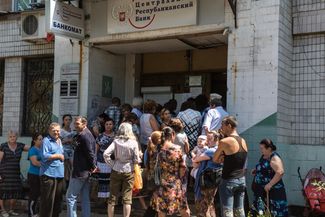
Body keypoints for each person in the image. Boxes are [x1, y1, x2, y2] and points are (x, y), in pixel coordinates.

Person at [150, 127, 190, 217]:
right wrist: (178, 177)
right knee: (184, 208)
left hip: (162, 181)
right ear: (172, 134)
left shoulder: (158, 149)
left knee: (161, 208)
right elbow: (182, 167)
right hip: (175, 182)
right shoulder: (177, 149)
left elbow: (153, 164)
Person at [104, 122, 141, 217]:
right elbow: (137, 160)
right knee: (127, 199)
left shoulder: (116, 141)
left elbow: (106, 154)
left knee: (112, 197)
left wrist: (112, 164)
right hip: (129, 170)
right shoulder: (133, 142)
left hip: (116, 169)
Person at [213, 116, 247, 217]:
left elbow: (215, 159)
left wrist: (221, 158)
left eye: (222, 125)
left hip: (229, 180)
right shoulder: (243, 140)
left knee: (227, 211)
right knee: (239, 210)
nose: (221, 127)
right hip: (241, 179)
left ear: (228, 125)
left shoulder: (225, 141)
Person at [66, 116, 97, 217]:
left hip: (80, 171)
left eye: (77, 123)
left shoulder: (85, 136)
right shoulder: (85, 134)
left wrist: (93, 166)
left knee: (70, 197)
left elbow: (90, 153)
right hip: (85, 171)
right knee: (84, 197)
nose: (75, 125)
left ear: (84, 124)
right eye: (74, 123)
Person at [251, 139, 288, 217]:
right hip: (262, 192)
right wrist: (257, 170)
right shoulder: (265, 156)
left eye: (262, 148)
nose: (261, 150)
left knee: (273, 213)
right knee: (261, 212)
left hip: (272, 192)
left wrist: (270, 184)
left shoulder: (274, 158)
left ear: (269, 149)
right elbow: (267, 169)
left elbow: (280, 172)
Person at [193, 131, 223, 217]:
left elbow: (195, 160)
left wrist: (196, 158)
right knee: (210, 204)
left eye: (210, 139)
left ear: (216, 139)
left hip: (206, 182)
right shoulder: (219, 150)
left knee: (203, 207)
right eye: (207, 139)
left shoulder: (211, 151)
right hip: (213, 181)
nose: (207, 141)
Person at [0, 130, 29, 217]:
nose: (12, 138)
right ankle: (3, 210)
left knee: (15, 192)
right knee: (2, 193)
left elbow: (33, 148)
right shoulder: (3, 146)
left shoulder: (20, 145)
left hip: (16, 173)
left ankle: (11, 209)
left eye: (14, 136)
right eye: (10, 137)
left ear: (17, 137)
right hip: (4, 173)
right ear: (8, 137)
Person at [39, 123, 65, 217]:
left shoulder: (59, 140)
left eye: (58, 130)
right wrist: (58, 156)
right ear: (49, 131)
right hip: (48, 174)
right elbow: (44, 156)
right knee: (47, 202)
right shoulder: (46, 141)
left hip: (59, 174)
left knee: (57, 202)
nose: (56, 132)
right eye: (54, 131)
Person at [96, 118, 115, 199]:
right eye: (107, 124)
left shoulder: (116, 136)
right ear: (104, 125)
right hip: (101, 161)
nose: (108, 126)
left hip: (113, 161)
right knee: (102, 180)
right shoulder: (100, 136)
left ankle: (110, 199)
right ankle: (102, 199)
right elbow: (96, 149)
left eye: (110, 124)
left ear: (113, 125)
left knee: (111, 180)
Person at [27, 133, 43, 217]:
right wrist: (46, 164)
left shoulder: (42, 149)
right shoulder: (33, 150)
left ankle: (36, 211)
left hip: (41, 175)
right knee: (34, 194)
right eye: (39, 139)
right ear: (34, 140)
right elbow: (35, 162)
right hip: (33, 175)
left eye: (42, 139)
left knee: (39, 194)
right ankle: (31, 213)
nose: (41, 141)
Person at [60, 114, 75, 189]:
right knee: (65, 169)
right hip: (63, 152)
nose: (68, 121)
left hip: (71, 152)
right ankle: (63, 187)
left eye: (69, 120)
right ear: (63, 121)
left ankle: (69, 186)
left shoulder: (72, 131)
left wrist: (73, 142)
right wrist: (67, 141)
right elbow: (58, 143)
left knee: (71, 169)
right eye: (66, 120)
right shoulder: (61, 131)